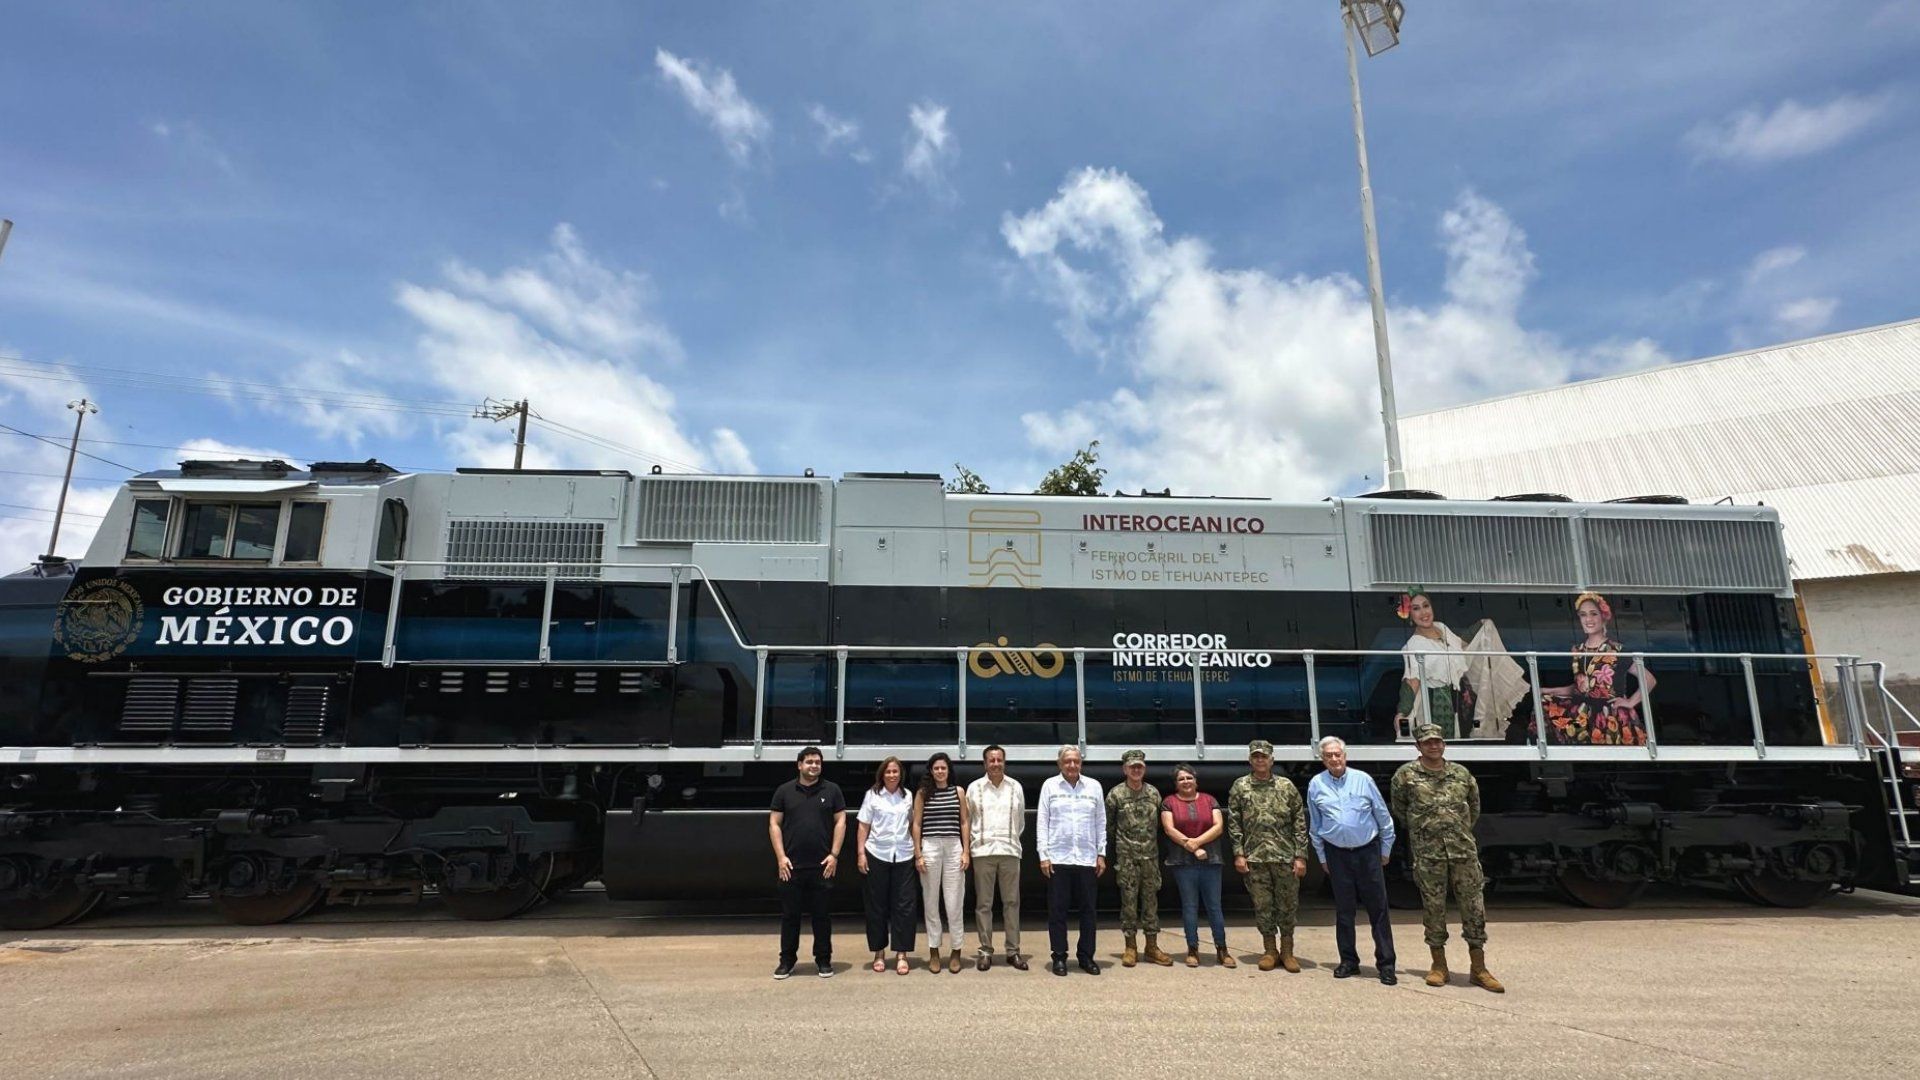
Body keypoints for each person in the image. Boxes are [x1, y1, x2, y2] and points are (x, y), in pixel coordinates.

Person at [1390, 724, 1504, 993]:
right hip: (1429, 854)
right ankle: (1438, 965)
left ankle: (1479, 968)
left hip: (1463, 851)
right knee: (1433, 908)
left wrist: (1456, 830)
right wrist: (1427, 830)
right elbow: (1401, 809)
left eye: (1438, 742)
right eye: (1428, 742)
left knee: (1474, 907)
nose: (1434, 746)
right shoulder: (1405, 776)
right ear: (1418, 746)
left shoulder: (1461, 774)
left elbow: (1474, 808)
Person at [1307, 735, 1397, 984]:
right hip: (1337, 855)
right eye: (1328, 756)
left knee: (1378, 909)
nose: (1334, 759)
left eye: (1338, 754)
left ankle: (1386, 964)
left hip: (1368, 852)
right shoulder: (1316, 784)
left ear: (1345, 756)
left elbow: (1383, 817)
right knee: (1344, 911)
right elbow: (1315, 826)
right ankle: (1348, 961)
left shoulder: (1364, 780)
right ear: (1322, 759)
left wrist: (1385, 850)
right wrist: (1323, 857)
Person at [1396, 587, 1528, 740]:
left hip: (1461, 701)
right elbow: (1412, 680)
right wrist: (1402, 712)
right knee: (1443, 743)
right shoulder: (1414, 645)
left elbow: (1458, 645)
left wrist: (1480, 627)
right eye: (1416, 609)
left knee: (1466, 740)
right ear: (1410, 616)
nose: (1424, 613)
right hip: (1439, 704)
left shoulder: (1441, 627)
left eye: (1426, 606)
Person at [1226, 739, 1309, 973]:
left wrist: (1301, 856)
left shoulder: (1286, 786)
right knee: (1263, 906)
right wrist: (1239, 854)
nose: (1260, 760)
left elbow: (1299, 823)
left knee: (1288, 906)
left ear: (1272, 760)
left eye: (1264, 756)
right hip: (1255, 858)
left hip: (1285, 856)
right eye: (1256, 757)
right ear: (1250, 760)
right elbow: (1234, 823)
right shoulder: (1240, 787)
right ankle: (1270, 951)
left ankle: (1288, 951)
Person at [768, 745, 846, 980]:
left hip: (822, 866)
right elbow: (774, 824)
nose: (814, 766)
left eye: (818, 762)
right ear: (799, 765)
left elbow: (841, 821)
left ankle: (823, 960)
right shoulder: (784, 791)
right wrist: (781, 857)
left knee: (822, 916)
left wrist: (834, 855)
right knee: (790, 916)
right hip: (791, 867)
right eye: (810, 762)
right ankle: (787, 961)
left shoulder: (832, 790)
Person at [1539, 591, 1655, 746]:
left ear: (1603, 616)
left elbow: (1649, 680)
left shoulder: (1616, 650)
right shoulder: (1578, 651)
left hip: (1609, 717)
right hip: (1582, 717)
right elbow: (1580, 687)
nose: (1588, 619)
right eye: (1583, 615)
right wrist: (1551, 691)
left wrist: (1630, 702)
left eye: (1593, 614)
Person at [1037, 744, 1106, 976]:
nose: (1072, 765)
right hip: (1058, 858)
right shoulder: (1049, 786)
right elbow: (1042, 822)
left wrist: (1101, 853)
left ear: (1081, 763)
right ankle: (1059, 956)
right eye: (1067, 761)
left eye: (1076, 761)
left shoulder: (1094, 787)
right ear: (1060, 764)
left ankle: (1086, 956)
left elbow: (1100, 823)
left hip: (1087, 859)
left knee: (1089, 912)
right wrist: (1043, 855)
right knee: (1057, 912)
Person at [1161, 762, 1234, 968]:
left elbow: (1218, 826)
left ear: (1196, 780)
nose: (1186, 781)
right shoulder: (1169, 802)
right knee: (1190, 906)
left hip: (1211, 861)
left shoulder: (1210, 800)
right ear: (1176, 783)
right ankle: (1192, 949)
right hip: (1183, 862)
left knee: (1214, 906)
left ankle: (1222, 949)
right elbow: (1169, 829)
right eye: (1181, 779)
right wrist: (1193, 848)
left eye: (1189, 778)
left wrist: (1197, 843)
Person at [966, 744, 1028, 971]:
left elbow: (1019, 822)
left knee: (1012, 903)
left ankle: (1013, 951)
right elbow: (968, 821)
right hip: (983, 853)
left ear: (1004, 762)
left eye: (999, 760)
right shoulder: (974, 788)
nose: (995, 764)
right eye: (991, 760)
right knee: (984, 904)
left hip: (1010, 851)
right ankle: (985, 951)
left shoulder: (1016, 787)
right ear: (985, 763)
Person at [1107, 749, 1171, 967]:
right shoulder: (1115, 795)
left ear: (1144, 769)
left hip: (1150, 858)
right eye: (1132, 766)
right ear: (1125, 769)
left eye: (1139, 767)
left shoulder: (1153, 793)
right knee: (1129, 903)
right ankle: (1130, 947)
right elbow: (1110, 827)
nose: (1136, 770)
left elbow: (1160, 827)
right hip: (1127, 859)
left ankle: (1152, 947)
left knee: (1151, 903)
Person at [912, 752, 971, 974]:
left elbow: (964, 821)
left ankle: (956, 950)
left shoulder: (958, 792)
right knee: (930, 900)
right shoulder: (922, 794)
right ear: (931, 771)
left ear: (948, 770)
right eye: (936, 768)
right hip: (930, 846)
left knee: (954, 900)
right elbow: (916, 824)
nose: (939, 771)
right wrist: (918, 854)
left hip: (954, 845)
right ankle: (934, 951)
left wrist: (966, 851)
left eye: (943, 768)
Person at [856, 756, 916, 975]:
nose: (892, 775)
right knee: (877, 906)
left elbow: (912, 825)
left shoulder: (908, 796)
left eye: (896, 772)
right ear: (882, 774)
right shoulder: (872, 795)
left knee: (904, 906)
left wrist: (917, 852)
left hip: (903, 855)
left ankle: (901, 954)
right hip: (877, 854)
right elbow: (863, 826)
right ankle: (879, 952)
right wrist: (861, 853)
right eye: (888, 772)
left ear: (901, 774)